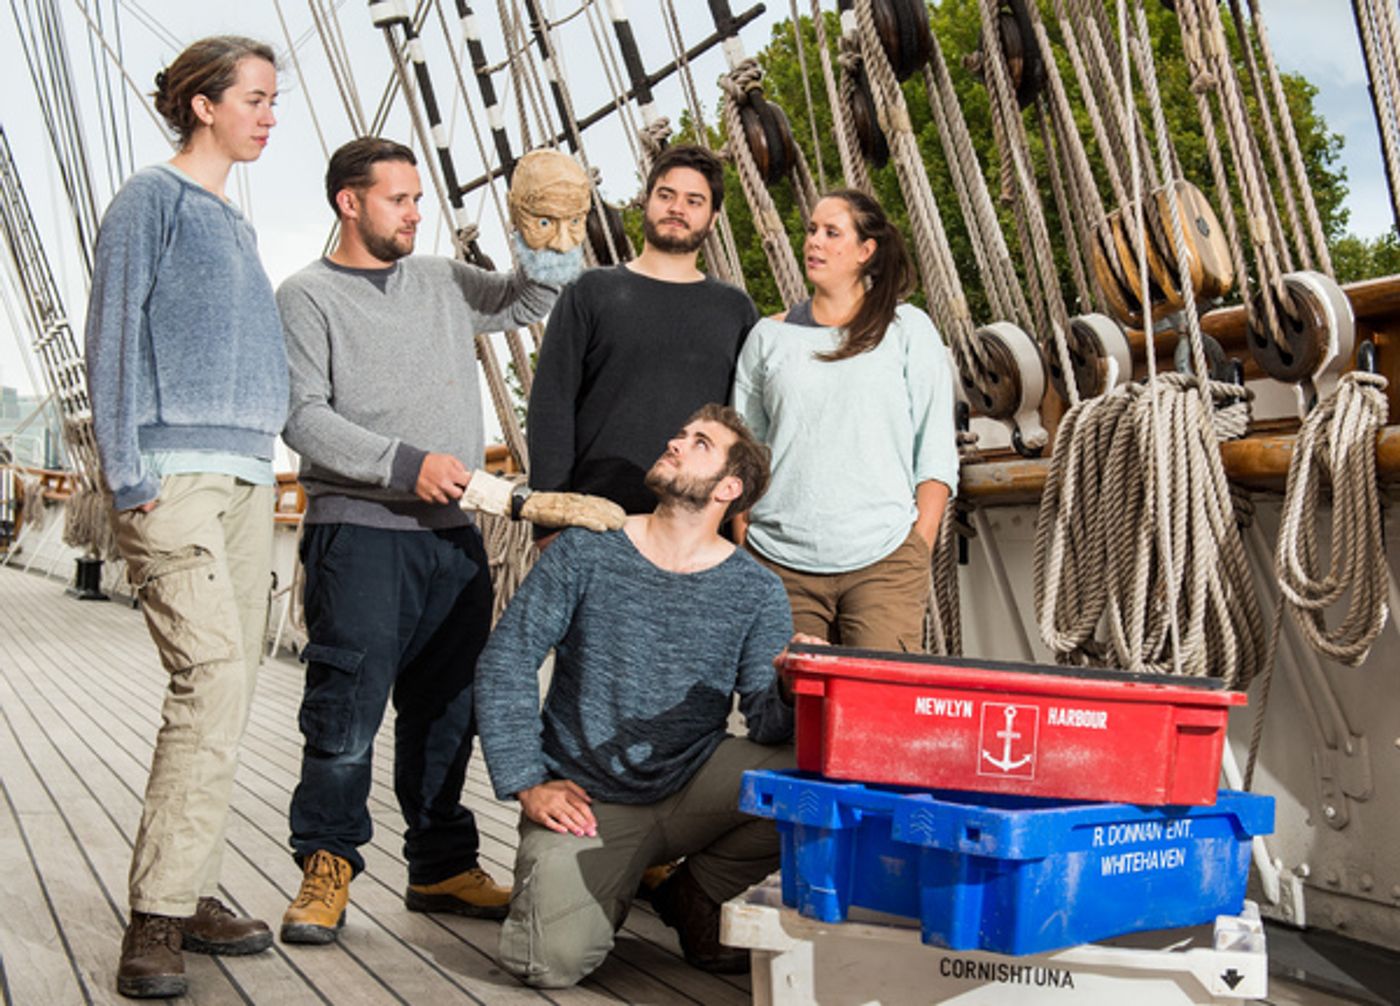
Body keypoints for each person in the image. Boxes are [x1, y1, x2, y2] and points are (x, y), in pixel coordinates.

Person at [275, 137, 596, 946]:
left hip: (454, 536)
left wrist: (546, 231)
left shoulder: (442, 281)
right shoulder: (306, 297)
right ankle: (327, 865)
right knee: (346, 712)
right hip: (360, 533)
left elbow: (530, 300)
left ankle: (440, 864)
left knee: (449, 709)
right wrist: (402, 463)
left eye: (418, 199)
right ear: (350, 203)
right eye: (399, 200)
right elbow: (302, 417)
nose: (416, 213)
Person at [84, 36, 284, 999]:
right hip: (172, 482)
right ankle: (156, 920)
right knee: (208, 679)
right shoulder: (148, 202)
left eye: (272, 100)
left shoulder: (235, 225)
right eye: (254, 97)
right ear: (203, 103)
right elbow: (113, 338)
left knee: (234, 690)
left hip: (248, 480)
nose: (268, 114)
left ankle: (193, 886)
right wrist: (126, 476)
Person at [476, 404, 797, 987]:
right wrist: (527, 780)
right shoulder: (585, 552)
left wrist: (791, 687)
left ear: (729, 487)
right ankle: (611, 879)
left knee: (820, 778)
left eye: (699, 443)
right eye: (679, 434)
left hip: (694, 781)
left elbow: (767, 723)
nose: (675, 442)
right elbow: (507, 659)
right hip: (588, 798)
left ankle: (694, 894)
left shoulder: (756, 589)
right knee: (545, 964)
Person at [733, 189, 959, 652]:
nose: (814, 242)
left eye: (831, 232)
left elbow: (934, 448)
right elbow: (742, 451)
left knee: (882, 711)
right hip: (779, 562)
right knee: (789, 713)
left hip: (886, 560)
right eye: (811, 230)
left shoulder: (907, 330)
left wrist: (918, 547)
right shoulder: (767, 337)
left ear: (865, 251)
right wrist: (745, 538)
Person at [526, 143, 759, 524]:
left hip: (695, 526)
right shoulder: (589, 291)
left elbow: (743, 427)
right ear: (647, 202)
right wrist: (548, 519)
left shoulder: (736, 310)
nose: (677, 208)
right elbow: (551, 407)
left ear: (713, 218)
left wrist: (738, 528)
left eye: (694, 201)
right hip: (595, 519)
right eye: (666, 195)